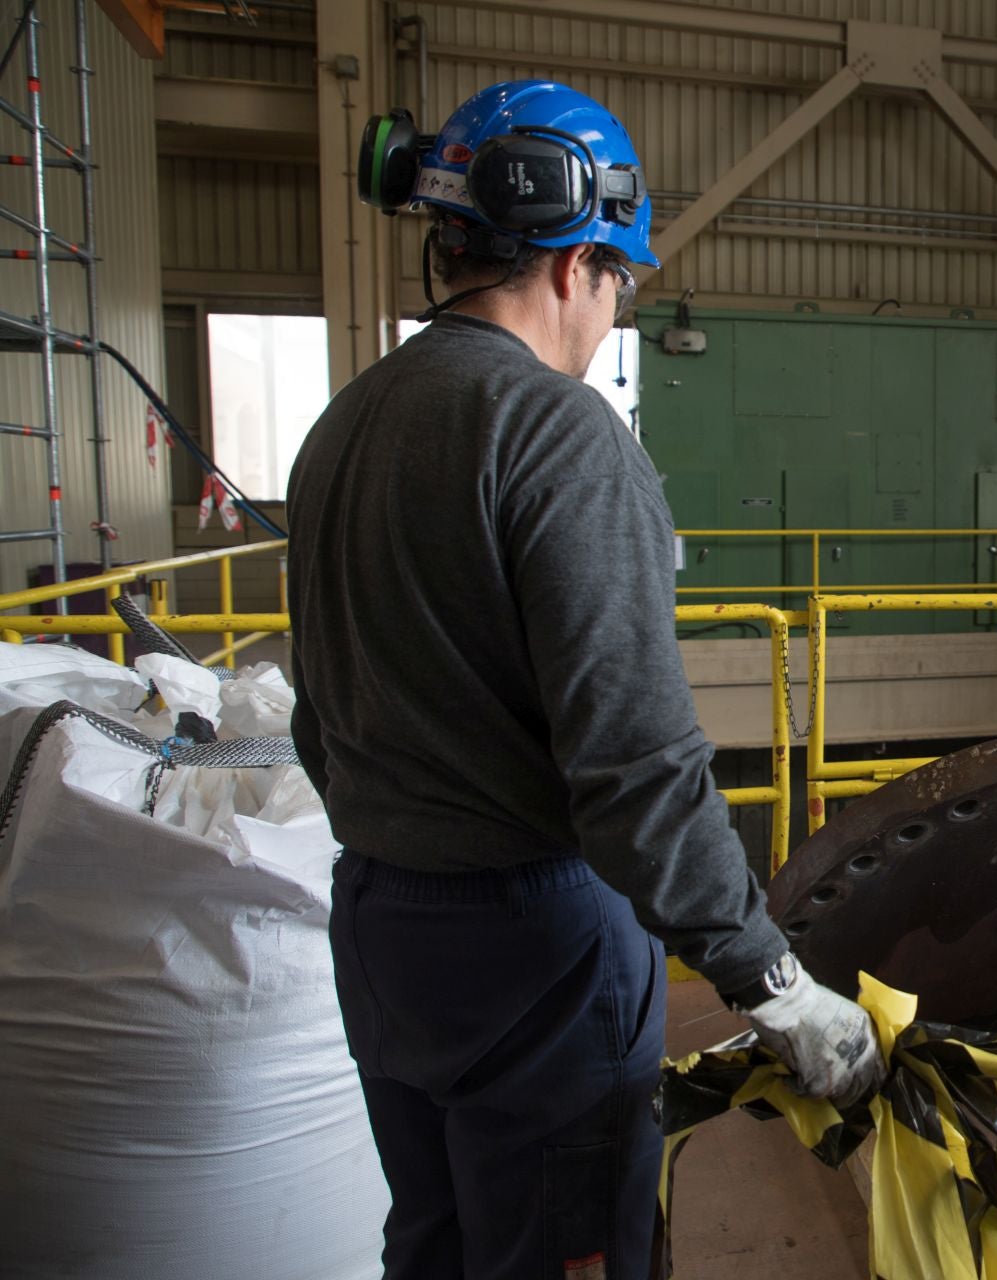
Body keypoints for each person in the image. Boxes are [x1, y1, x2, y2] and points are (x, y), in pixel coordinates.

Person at [287, 80, 881, 1280]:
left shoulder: (344, 424)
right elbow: (636, 763)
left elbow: (319, 712)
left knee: (439, 1236)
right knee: (572, 1249)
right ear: (574, 264)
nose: (609, 313)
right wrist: (769, 979)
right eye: (617, 280)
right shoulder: (557, 430)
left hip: (380, 925)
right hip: (535, 947)